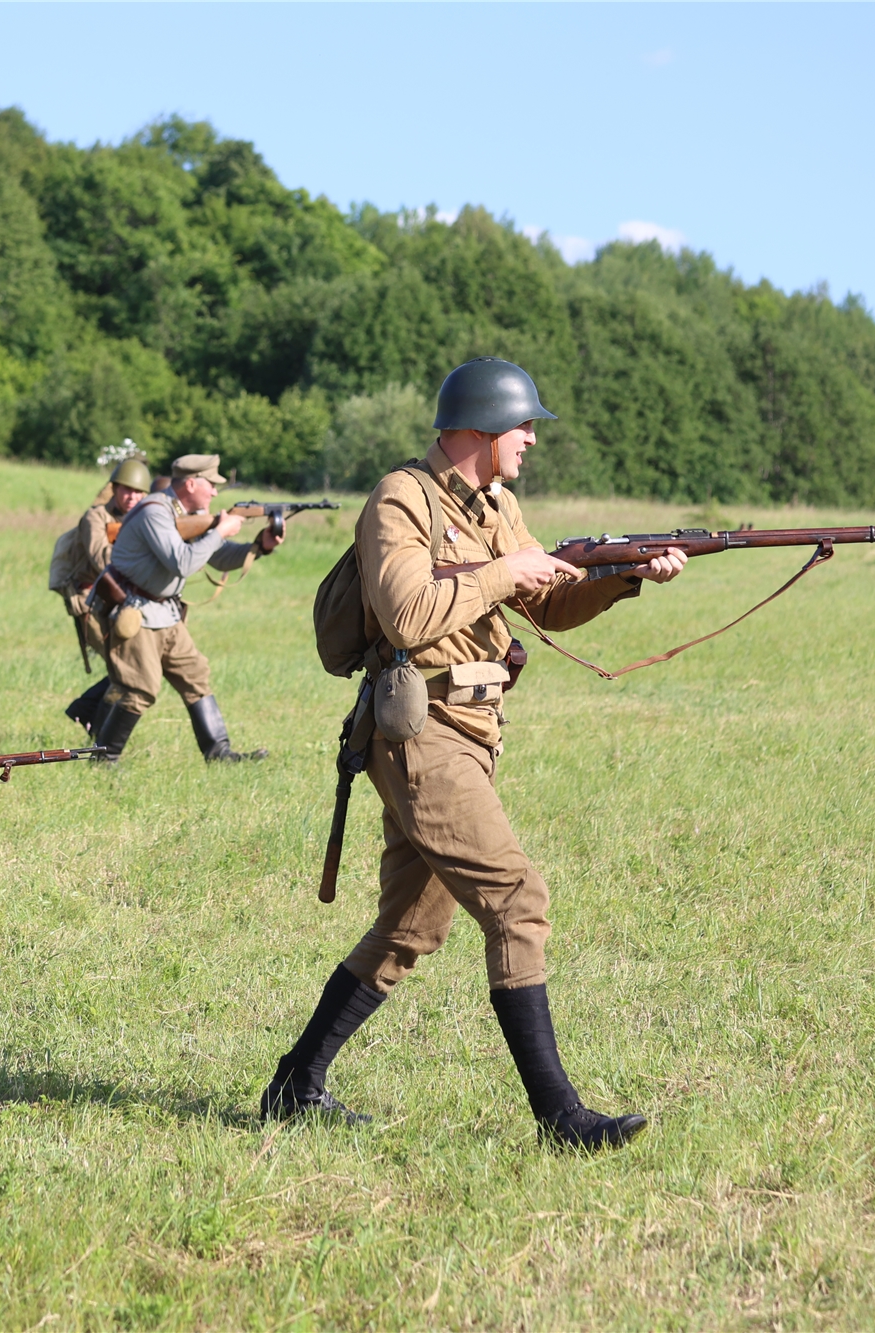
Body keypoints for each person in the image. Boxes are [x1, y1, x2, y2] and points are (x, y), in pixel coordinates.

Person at [259, 357, 687, 1152]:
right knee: (520, 901)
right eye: (524, 426)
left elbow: (551, 602)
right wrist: (503, 570)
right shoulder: (400, 498)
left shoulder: (498, 505)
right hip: (420, 733)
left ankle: (293, 1085)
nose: (530, 439)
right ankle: (562, 1119)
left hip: (473, 733)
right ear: (484, 427)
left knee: (407, 930)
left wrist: (627, 575)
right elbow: (409, 607)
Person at [88, 453, 283, 762]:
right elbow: (183, 563)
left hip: (165, 614)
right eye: (212, 485)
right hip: (134, 611)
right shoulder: (155, 512)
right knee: (140, 689)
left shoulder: (187, 513)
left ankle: (219, 753)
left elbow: (216, 556)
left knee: (196, 675)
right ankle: (104, 758)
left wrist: (258, 547)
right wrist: (221, 529)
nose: (216, 492)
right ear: (191, 484)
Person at [57, 455, 152, 737]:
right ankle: (97, 729)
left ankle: (86, 713)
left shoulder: (143, 516)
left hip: (120, 601)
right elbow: (102, 559)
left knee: (126, 666)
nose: (132, 497)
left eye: (138, 492)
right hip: (89, 599)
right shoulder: (95, 517)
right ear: (114, 488)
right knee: (122, 667)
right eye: (126, 490)